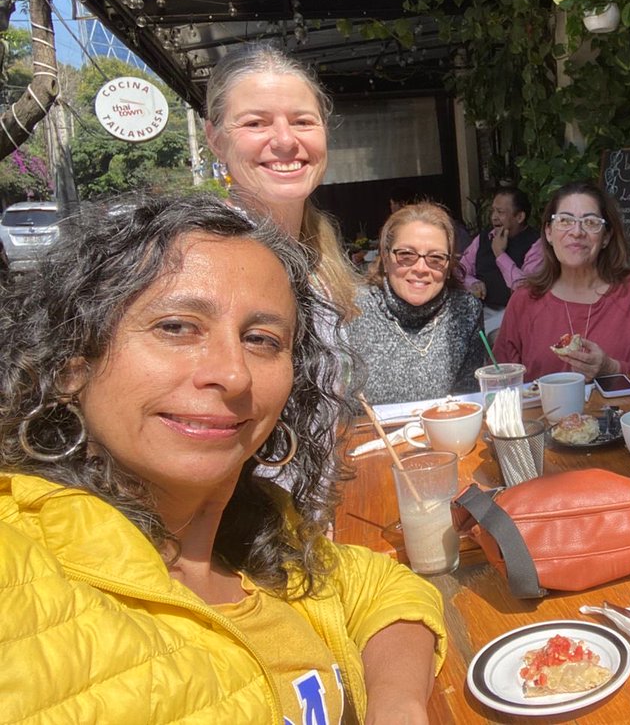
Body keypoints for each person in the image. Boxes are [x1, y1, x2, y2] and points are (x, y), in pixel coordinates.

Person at [0, 195, 445, 722]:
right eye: (176, 327)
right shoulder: (22, 569)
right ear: (72, 365)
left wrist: (396, 703)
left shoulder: (262, 539)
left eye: (261, 339)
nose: (232, 373)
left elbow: (381, 586)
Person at [204, 42, 358, 321]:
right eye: (255, 123)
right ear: (215, 139)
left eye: (302, 122)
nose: (285, 140)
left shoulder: (322, 254)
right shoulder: (202, 261)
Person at [495, 181, 630, 381]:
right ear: (548, 232)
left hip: (622, 412)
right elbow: (500, 378)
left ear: (606, 237)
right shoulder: (524, 299)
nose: (577, 232)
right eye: (565, 221)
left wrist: (612, 368)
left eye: (590, 222)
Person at [347, 201, 486, 404]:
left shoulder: (465, 312)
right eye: (406, 255)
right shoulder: (353, 309)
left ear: (448, 268)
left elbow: (467, 401)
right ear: (385, 259)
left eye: (436, 258)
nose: (421, 268)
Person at [459, 188, 544, 332]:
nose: (494, 217)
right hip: (481, 308)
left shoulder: (537, 244)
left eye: (501, 212)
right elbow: (459, 270)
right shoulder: (483, 238)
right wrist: (472, 283)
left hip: (516, 314)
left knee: (489, 336)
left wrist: (500, 254)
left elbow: (525, 288)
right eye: (493, 211)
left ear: (520, 217)